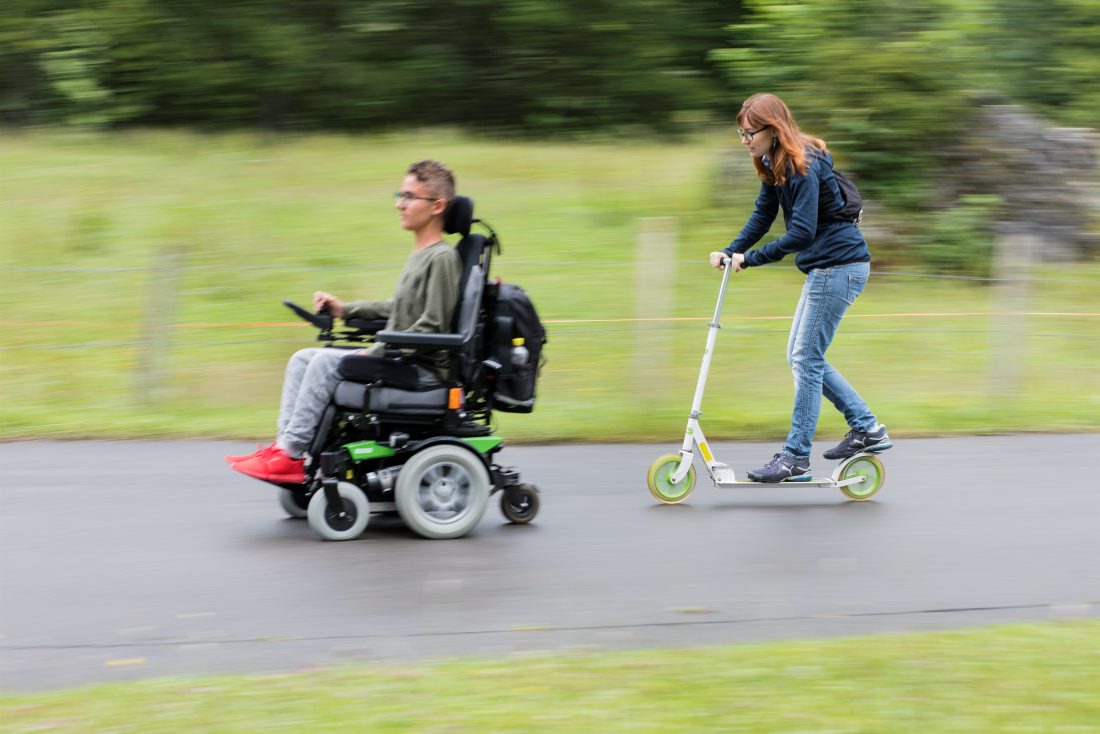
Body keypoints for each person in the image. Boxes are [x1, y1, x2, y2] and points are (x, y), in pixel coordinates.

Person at [228, 159, 463, 484]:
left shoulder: (443, 258)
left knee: (325, 362)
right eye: (400, 195)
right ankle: (284, 449)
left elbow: (432, 326)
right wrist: (345, 309)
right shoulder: (421, 255)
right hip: (401, 360)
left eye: (409, 197)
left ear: (437, 206)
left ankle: (291, 455)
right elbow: (398, 308)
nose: (399, 204)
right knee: (302, 359)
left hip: (421, 373)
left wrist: (377, 351)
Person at [709, 93, 891, 483]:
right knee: (801, 355)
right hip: (827, 267)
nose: (744, 141)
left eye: (749, 133)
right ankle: (866, 426)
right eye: (740, 133)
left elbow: (801, 232)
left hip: (838, 267)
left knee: (805, 357)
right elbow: (763, 214)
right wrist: (731, 251)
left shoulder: (803, 164)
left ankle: (795, 457)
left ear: (772, 130)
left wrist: (751, 259)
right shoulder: (771, 161)